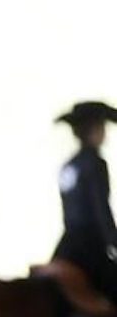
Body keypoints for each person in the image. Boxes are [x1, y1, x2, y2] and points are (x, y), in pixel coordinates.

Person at [51, 101, 117, 303]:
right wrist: (113, 241)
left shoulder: (68, 166)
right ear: (93, 130)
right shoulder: (95, 163)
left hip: (68, 244)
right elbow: (101, 209)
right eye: (101, 127)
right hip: (90, 245)